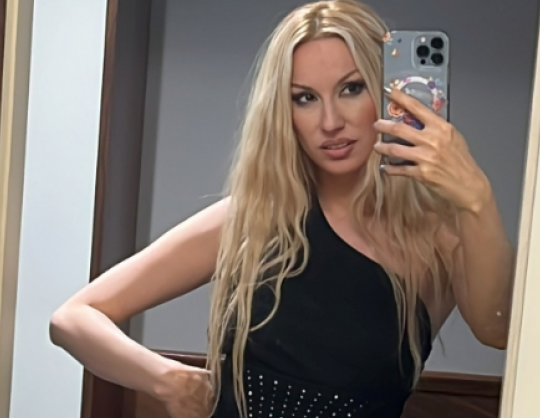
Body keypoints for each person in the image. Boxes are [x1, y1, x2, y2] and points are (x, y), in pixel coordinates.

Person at [49, 1, 514, 417]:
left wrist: (476, 196)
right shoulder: (252, 219)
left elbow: (497, 330)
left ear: (387, 89)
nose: (330, 122)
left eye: (351, 88)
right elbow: (73, 318)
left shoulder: (440, 234)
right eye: (305, 98)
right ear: (283, 112)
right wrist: (168, 380)